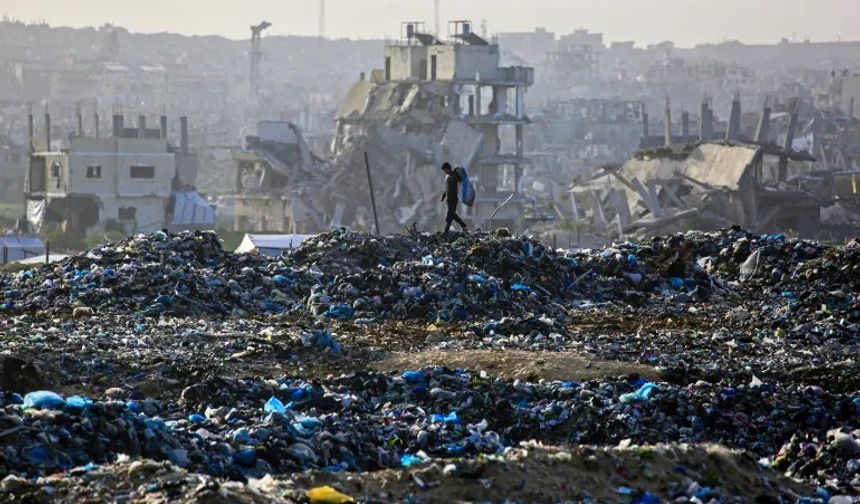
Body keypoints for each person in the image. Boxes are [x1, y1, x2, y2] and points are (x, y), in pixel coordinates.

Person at [440, 162, 468, 233]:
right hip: (449, 199)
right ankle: (446, 230)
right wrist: (443, 196)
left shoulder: (454, 175)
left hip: (453, 198)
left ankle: (462, 225)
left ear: (448, 169)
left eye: (445, 170)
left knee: (451, 214)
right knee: (450, 215)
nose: (444, 172)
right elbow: (447, 189)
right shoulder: (447, 177)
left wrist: (456, 172)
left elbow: (460, 180)